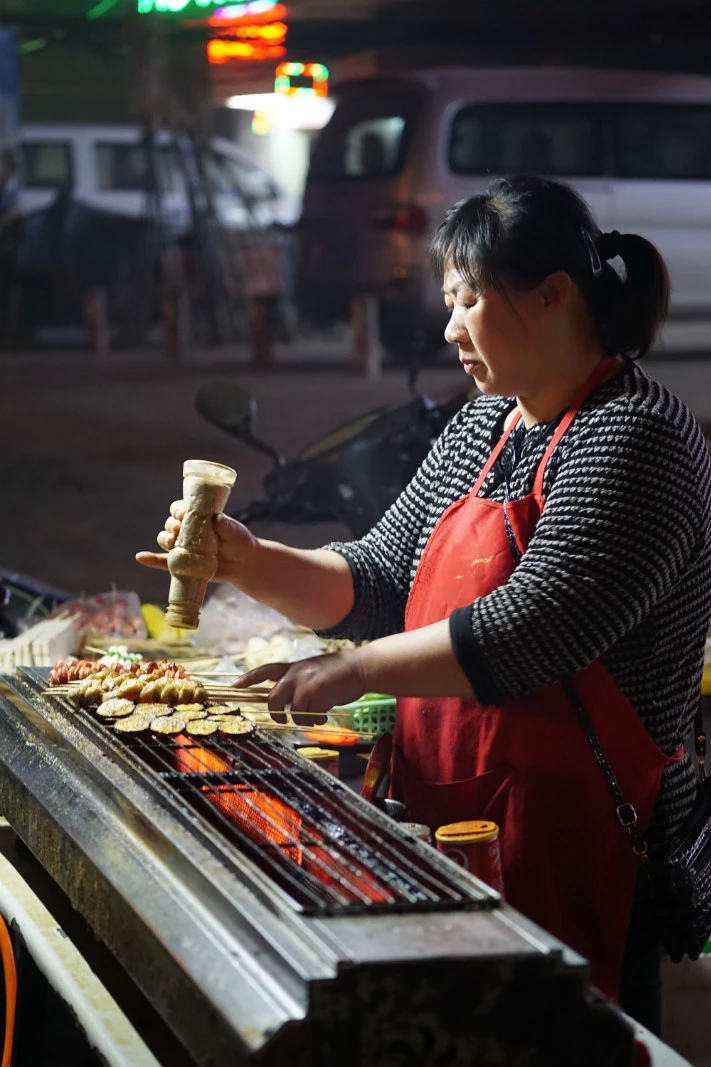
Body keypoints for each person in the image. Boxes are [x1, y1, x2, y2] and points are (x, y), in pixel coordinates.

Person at [138, 175, 711, 1032]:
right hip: (454, 821)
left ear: (551, 296)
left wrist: (346, 670)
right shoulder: (486, 426)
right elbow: (376, 578)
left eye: (468, 300)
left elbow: (531, 631)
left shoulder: (637, 435)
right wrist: (246, 561)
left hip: (584, 842)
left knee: (571, 1042)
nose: (449, 328)